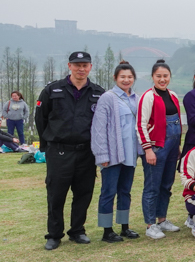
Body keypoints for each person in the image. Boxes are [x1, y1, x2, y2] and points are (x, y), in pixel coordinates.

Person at [35, 51, 105, 250]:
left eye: (85, 65)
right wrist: (47, 145)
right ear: (69, 66)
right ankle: (54, 234)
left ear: (90, 67)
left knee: (83, 193)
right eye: (77, 65)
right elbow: (41, 119)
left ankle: (77, 231)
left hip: (86, 152)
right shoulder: (52, 90)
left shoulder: (98, 93)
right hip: (59, 151)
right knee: (56, 194)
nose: (81, 69)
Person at [90, 61, 143, 243]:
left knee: (125, 191)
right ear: (115, 78)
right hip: (112, 154)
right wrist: (102, 155)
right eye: (122, 77)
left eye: (129, 77)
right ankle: (107, 230)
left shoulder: (136, 98)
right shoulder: (107, 97)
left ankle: (125, 226)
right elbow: (98, 129)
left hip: (130, 153)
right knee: (108, 191)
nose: (126, 80)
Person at [137, 59, 183, 240]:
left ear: (170, 77)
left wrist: (177, 146)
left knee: (166, 185)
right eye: (159, 76)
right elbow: (140, 125)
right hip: (157, 147)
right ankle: (150, 224)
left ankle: (162, 219)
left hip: (172, 147)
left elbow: (177, 121)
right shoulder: (148, 97)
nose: (162, 79)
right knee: (152, 187)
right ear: (153, 77)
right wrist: (148, 150)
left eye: (165, 76)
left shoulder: (172, 95)